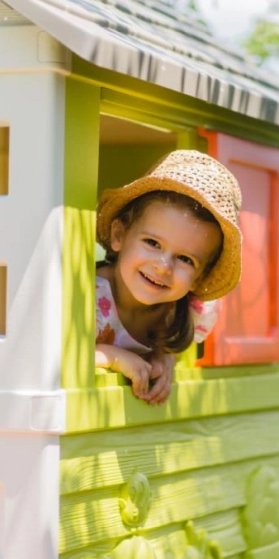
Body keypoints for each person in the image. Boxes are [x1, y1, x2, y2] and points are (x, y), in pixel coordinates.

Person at [95, 149, 242, 405]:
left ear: (199, 277)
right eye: (152, 243)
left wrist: (165, 357)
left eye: (185, 259)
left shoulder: (184, 312)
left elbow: (173, 346)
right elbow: (48, 355)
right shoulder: (85, 296)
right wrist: (112, 356)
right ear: (119, 236)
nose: (163, 266)